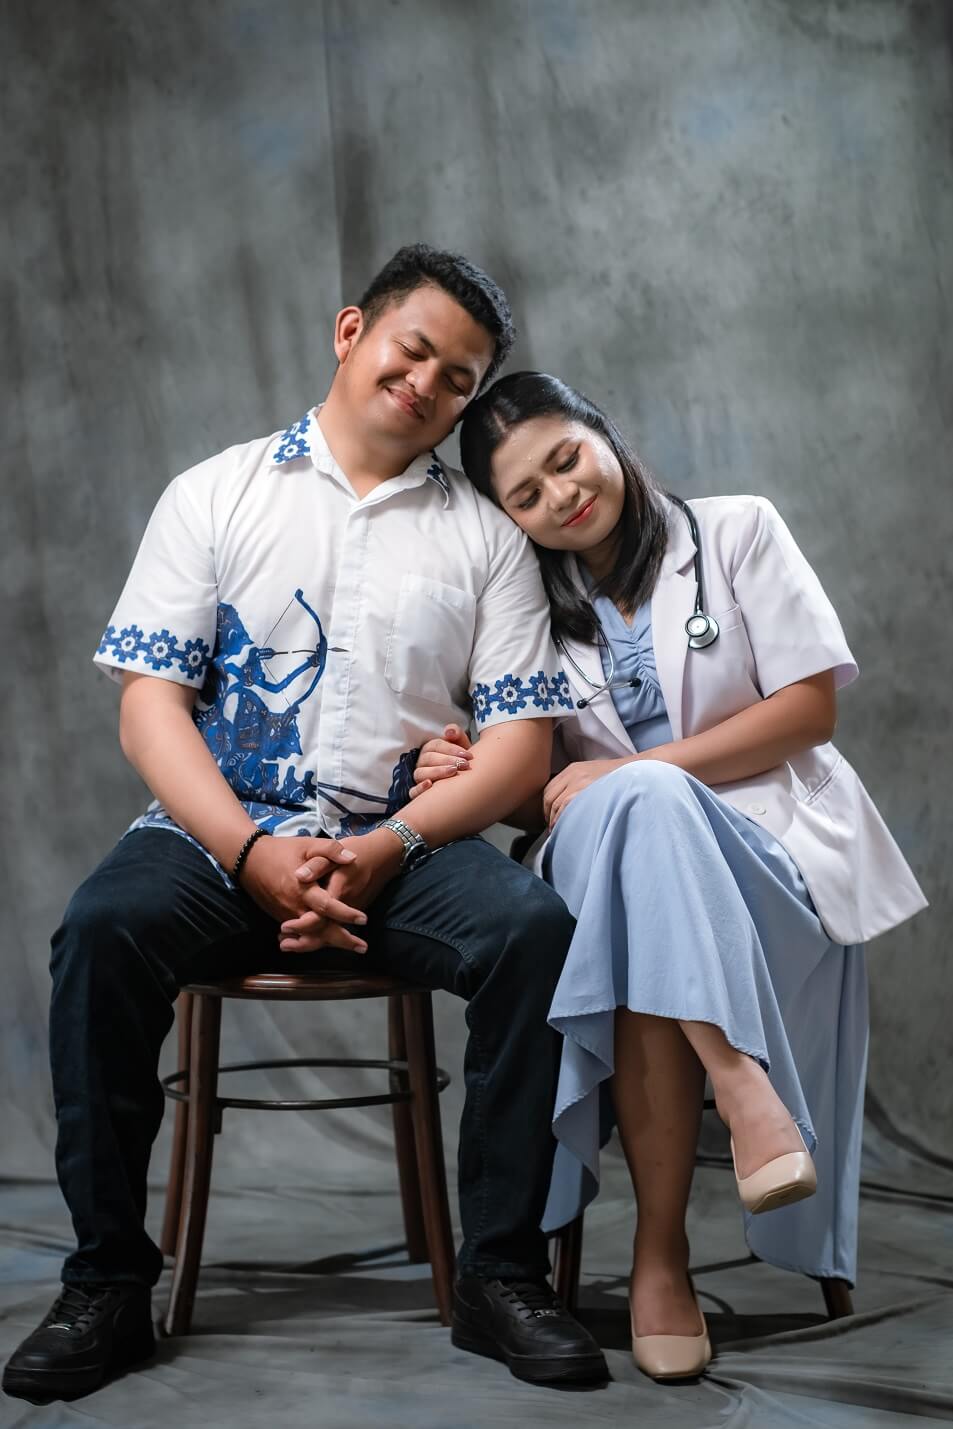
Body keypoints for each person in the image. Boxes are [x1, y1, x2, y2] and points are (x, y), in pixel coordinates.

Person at [2, 255, 610, 1406]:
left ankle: (499, 1275)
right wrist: (248, 851)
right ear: (350, 332)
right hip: (215, 838)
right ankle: (106, 1284)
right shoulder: (214, 494)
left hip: (405, 846)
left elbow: (519, 752)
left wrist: (385, 850)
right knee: (101, 932)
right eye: (412, 349)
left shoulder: (485, 538)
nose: (426, 382)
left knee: (534, 932)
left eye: (458, 377)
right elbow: (148, 709)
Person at [412, 370, 927, 1381]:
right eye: (527, 495)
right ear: (511, 518)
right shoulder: (526, 610)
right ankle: (739, 1095)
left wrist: (631, 772)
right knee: (640, 853)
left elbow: (807, 711)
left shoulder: (736, 532)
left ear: (601, 433)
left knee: (645, 833)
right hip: (617, 879)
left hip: (768, 868)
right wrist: (466, 772)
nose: (561, 495)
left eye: (566, 459)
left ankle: (660, 1255)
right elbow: (541, 794)